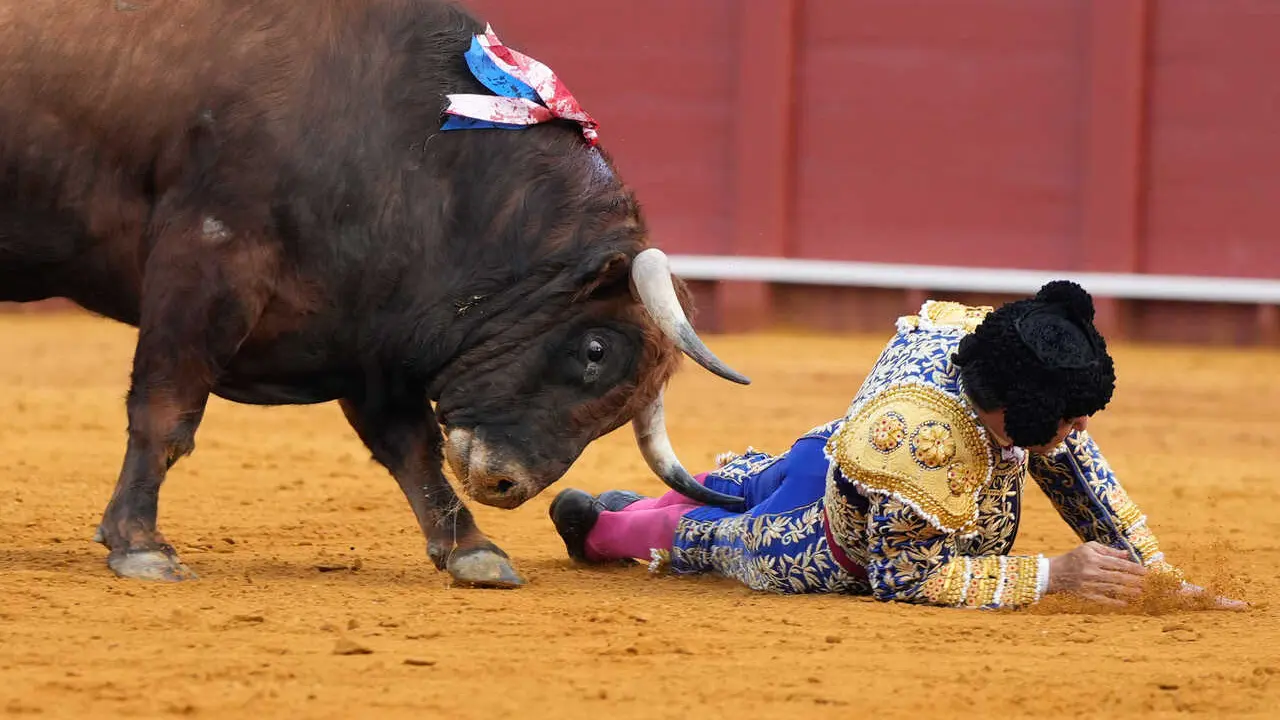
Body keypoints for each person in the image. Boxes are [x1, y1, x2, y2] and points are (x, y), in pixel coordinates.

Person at [548, 281, 1245, 610]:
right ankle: (603, 530)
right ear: (1021, 407)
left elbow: (1073, 468)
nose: (1081, 429)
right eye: (1070, 416)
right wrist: (1052, 576)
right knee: (714, 536)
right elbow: (903, 577)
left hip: (834, 452)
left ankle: (630, 507)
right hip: (823, 545)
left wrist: (1155, 577)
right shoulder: (928, 440)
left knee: (755, 475)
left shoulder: (989, 347)